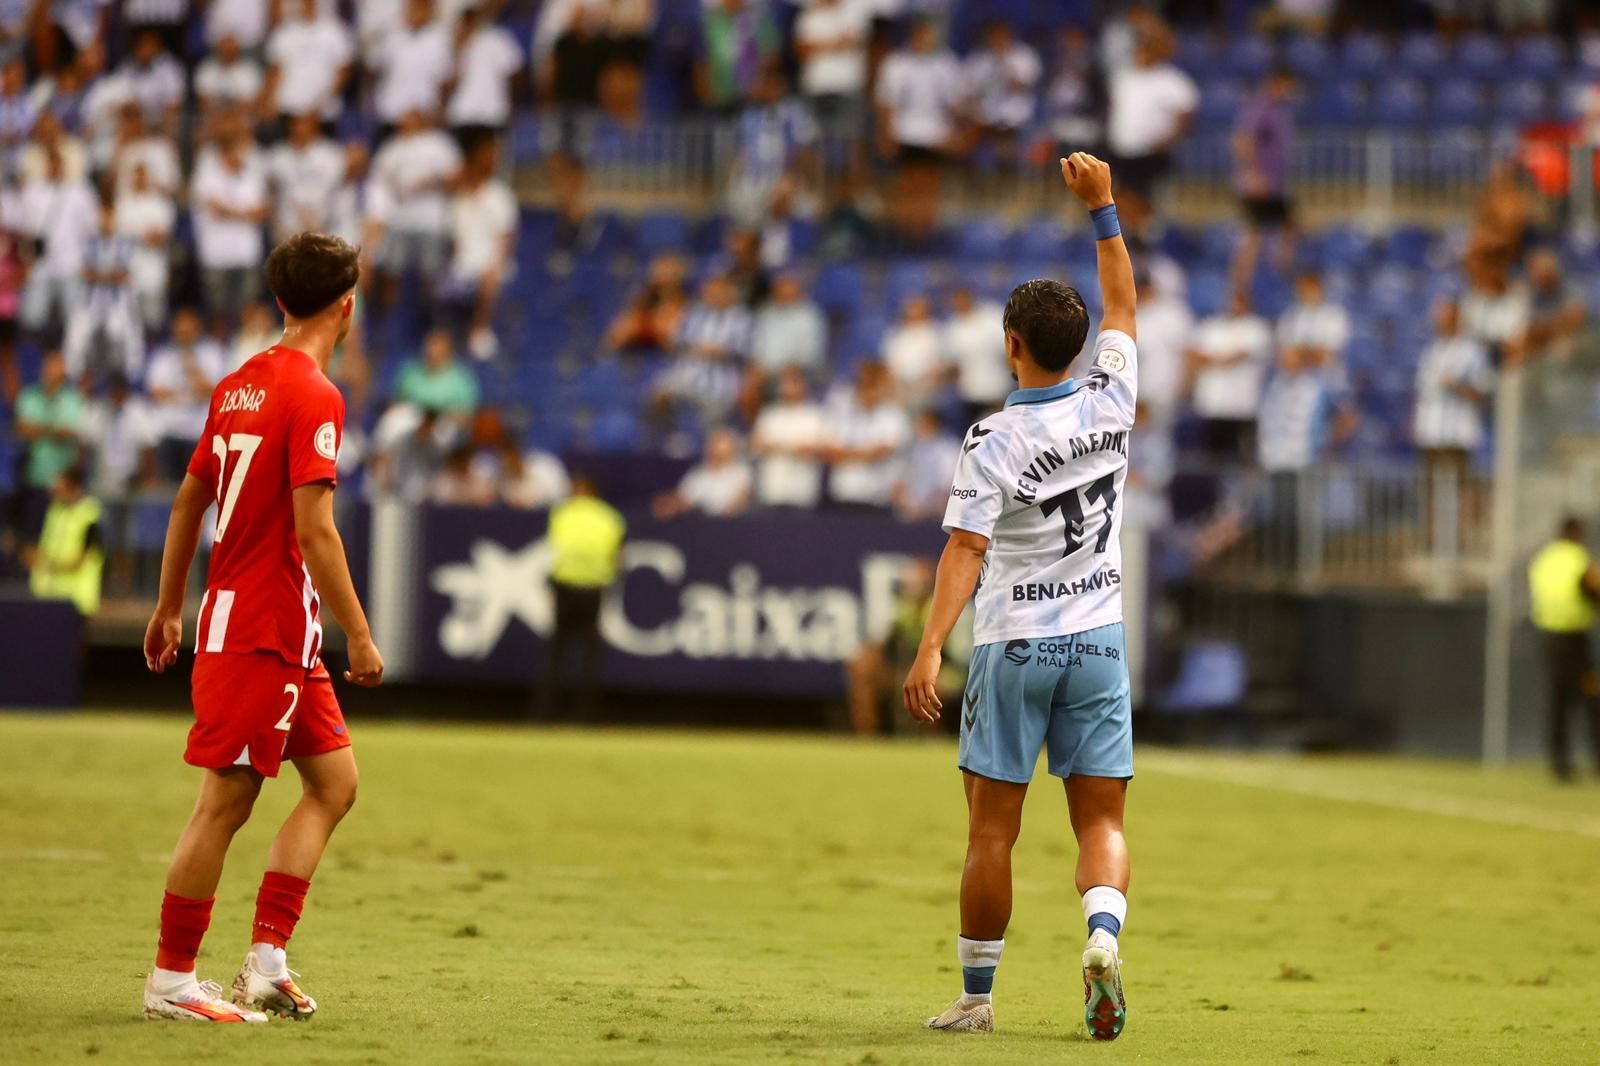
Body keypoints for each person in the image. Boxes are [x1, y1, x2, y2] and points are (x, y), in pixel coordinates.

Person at [905, 154, 1136, 1042]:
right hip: (1100, 640)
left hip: (1015, 646)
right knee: (1101, 818)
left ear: (1011, 345)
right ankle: (1102, 939)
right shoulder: (1114, 396)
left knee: (991, 833)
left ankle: (975, 999)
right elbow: (1124, 306)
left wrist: (931, 645)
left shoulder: (992, 438)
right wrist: (1103, 208)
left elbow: (966, 549)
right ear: (1079, 346)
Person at [140, 231, 384, 1023]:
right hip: (261, 626)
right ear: (346, 307)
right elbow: (316, 531)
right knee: (226, 801)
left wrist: (169, 604)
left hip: (277, 628)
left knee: (334, 783)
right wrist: (360, 632)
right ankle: (172, 982)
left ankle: (267, 964)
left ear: (281, 301)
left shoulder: (239, 383)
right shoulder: (316, 395)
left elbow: (190, 498)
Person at [542, 472, 626, 719]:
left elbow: (552, 549)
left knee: (557, 652)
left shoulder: (562, 514)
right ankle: (585, 714)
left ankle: (545, 712)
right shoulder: (610, 517)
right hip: (594, 588)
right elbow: (619, 556)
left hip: (565, 586)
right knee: (589, 654)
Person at [1528, 517, 1600, 781]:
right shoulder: (1579, 559)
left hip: (1550, 639)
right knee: (1592, 697)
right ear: (1577, 533)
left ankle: (1559, 763)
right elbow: (1592, 589)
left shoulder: (1543, 560)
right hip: (1576, 640)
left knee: (1558, 701)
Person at [1186, 289, 1273, 462]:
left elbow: (1240, 355)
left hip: (1243, 408)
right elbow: (1193, 355)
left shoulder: (1256, 328)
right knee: (1213, 460)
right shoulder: (1211, 327)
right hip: (1212, 406)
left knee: (1242, 460)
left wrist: (1213, 359)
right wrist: (1219, 359)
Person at [25, 465, 103, 617]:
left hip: (76, 600)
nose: (54, 492)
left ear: (73, 488)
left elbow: (82, 560)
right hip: (47, 595)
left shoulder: (90, 515)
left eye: (60, 488)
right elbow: (40, 548)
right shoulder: (55, 512)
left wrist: (48, 565)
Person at [652, 428, 753, 519]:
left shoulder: (741, 471)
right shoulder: (699, 473)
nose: (716, 453)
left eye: (723, 448)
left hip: (729, 524)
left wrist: (729, 513)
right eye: (713, 447)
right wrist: (668, 504)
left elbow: (741, 501)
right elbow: (684, 498)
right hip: (701, 523)